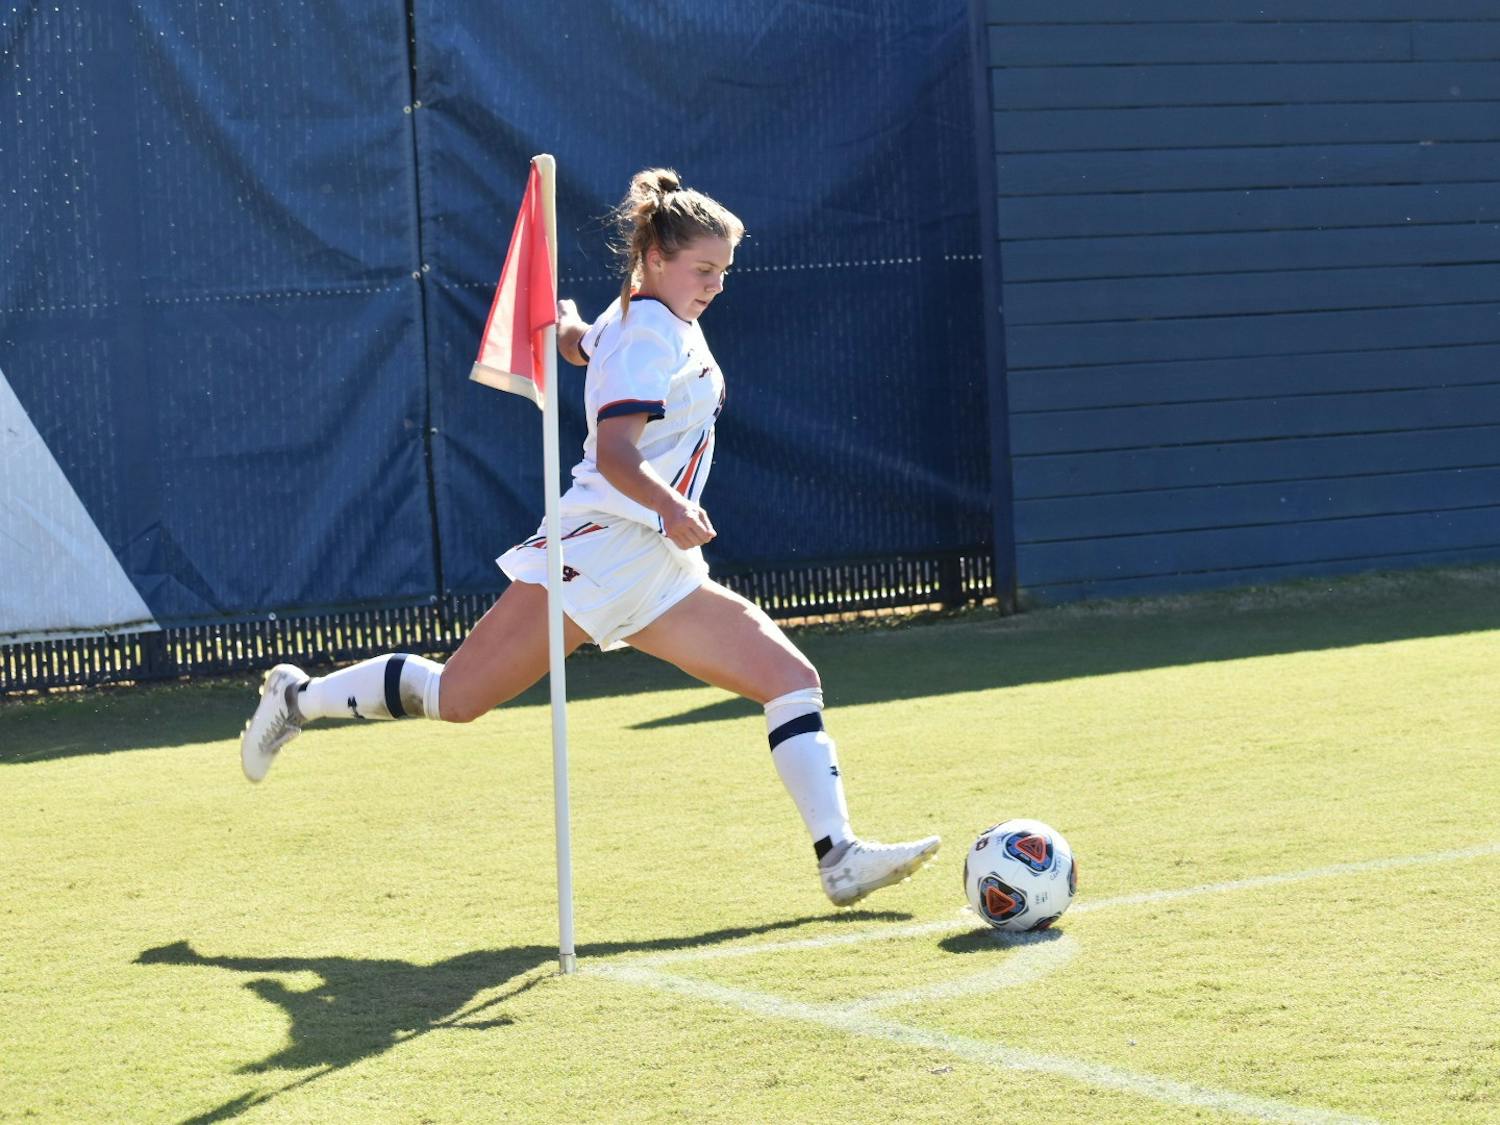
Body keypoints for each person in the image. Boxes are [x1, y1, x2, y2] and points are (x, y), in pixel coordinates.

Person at [239, 168, 939, 907]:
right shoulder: (646, 335)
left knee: (790, 680)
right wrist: (671, 506)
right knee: (456, 695)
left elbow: (583, 345)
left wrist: (567, 329)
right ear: (658, 257)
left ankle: (840, 858)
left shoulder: (643, 318)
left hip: (658, 568)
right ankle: (298, 698)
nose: (716, 285)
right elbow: (615, 454)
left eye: (723, 271)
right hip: (600, 551)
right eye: (705, 269)